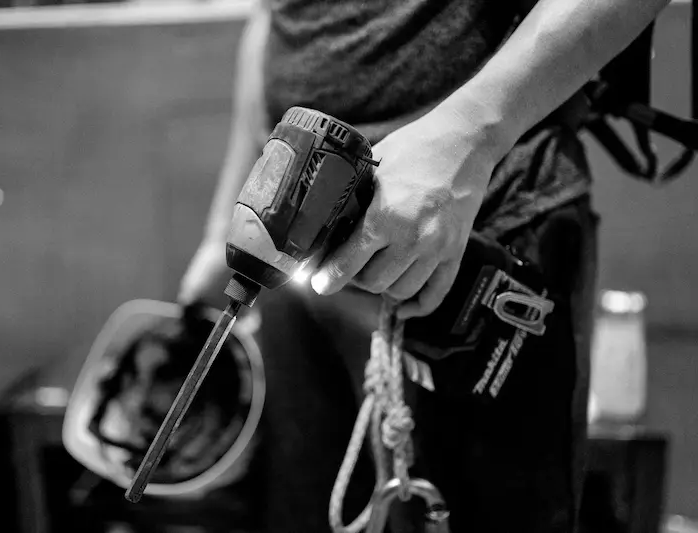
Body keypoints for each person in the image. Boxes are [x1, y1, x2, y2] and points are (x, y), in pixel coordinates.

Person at [177, 0, 670, 531]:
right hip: (300, 249)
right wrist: (224, 227)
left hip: (478, 225)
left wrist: (470, 134)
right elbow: (275, 17)